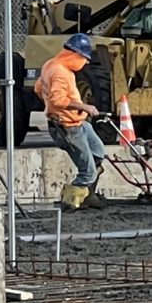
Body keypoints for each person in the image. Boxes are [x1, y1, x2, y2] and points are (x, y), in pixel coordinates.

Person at [35, 33, 105, 210]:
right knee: (88, 171)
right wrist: (83, 106)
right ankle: (70, 202)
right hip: (67, 127)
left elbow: (38, 88)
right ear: (76, 55)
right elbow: (57, 100)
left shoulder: (50, 65)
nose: (86, 63)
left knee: (98, 152)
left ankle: (88, 195)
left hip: (78, 123)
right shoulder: (59, 71)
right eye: (85, 58)